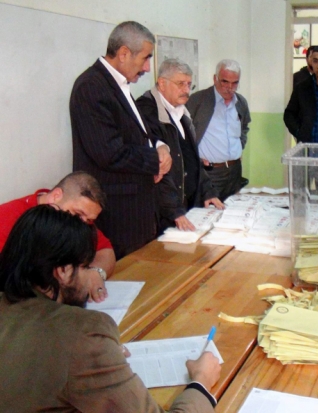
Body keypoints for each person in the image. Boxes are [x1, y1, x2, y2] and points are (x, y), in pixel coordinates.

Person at [0, 205, 221, 412]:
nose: (91, 277)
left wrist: (100, 354)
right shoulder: (82, 334)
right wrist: (201, 381)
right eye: (86, 267)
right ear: (63, 271)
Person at [70, 21, 172, 259]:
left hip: (137, 208)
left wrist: (161, 146)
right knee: (125, 275)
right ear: (124, 53)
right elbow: (108, 152)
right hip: (118, 213)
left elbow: (139, 132)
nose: (147, 68)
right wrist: (155, 161)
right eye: (145, 58)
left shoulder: (118, 84)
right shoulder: (91, 87)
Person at [137, 59, 224, 233]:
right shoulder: (147, 112)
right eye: (180, 84)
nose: (186, 90)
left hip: (186, 207)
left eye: (189, 84)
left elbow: (190, 158)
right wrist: (174, 210)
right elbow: (158, 168)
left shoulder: (182, 112)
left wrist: (207, 191)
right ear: (162, 83)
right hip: (162, 214)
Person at [0, 171, 114, 303]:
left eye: (89, 220)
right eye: (78, 214)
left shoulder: (80, 221)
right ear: (56, 196)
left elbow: (105, 251)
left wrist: (96, 272)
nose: (83, 224)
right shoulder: (7, 218)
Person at [186, 59, 251, 201]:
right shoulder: (197, 101)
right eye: (225, 82)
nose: (230, 87)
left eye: (235, 83)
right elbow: (183, 134)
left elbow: (244, 127)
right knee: (208, 211)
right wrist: (194, 158)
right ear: (215, 79)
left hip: (234, 171)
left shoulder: (241, 102)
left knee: (234, 211)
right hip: (209, 173)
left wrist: (239, 146)